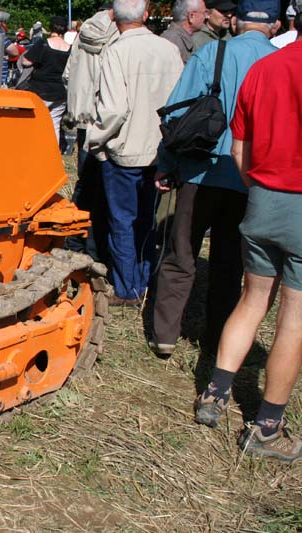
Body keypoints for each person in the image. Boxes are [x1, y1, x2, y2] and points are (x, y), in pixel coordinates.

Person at [194, 1, 302, 462]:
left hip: (261, 198)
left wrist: (259, 188)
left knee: (253, 299)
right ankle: (267, 429)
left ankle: (213, 395)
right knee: (294, 318)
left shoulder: (267, 66)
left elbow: (241, 147)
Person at [149, 0, 279, 359]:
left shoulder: (212, 53)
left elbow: (178, 110)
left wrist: (166, 163)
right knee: (230, 262)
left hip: (199, 169)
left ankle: (165, 334)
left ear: (236, 20)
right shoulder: (279, 63)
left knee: (181, 252)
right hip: (249, 176)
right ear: (277, 23)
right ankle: (219, 337)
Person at [86, 0, 183, 306]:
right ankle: (142, 279)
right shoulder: (168, 49)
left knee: (122, 221)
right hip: (161, 150)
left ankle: (128, 288)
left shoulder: (117, 51)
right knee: (146, 219)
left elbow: (113, 108)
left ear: (114, 17)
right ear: (145, 14)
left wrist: (95, 140)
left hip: (125, 151)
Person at [62, 4, 120, 264]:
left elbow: (67, 75)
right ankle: (95, 251)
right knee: (103, 188)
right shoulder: (119, 34)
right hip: (106, 120)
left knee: (84, 184)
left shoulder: (83, 32)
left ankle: (73, 241)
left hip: (84, 119)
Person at [21, 16, 71, 144]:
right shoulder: (70, 49)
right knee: (54, 124)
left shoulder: (43, 44)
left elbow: (26, 62)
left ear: (50, 28)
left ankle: (33, 148)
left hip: (40, 90)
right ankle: (53, 152)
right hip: (60, 92)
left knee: (34, 121)